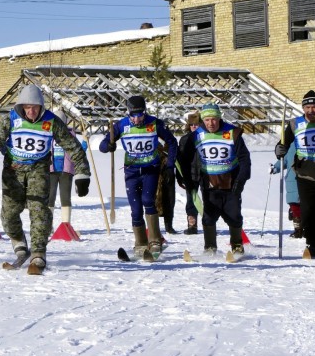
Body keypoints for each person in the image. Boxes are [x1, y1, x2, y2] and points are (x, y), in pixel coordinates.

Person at [0, 85, 90, 271]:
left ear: (41, 107)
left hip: (38, 169)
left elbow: (73, 147)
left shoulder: (51, 122)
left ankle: (39, 253)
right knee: (9, 215)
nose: (31, 111)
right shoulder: (10, 121)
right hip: (13, 171)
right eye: (27, 107)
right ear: (21, 107)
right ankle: (18, 241)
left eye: (35, 107)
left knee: (39, 211)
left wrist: (82, 174)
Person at [99, 95, 177, 256]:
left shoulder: (154, 123)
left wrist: (169, 165)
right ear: (128, 113)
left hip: (150, 169)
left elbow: (172, 141)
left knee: (148, 201)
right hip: (132, 171)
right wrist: (109, 145)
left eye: (140, 114)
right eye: (133, 115)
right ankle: (140, 243)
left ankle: (155, 240)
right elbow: (102, 146)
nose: (137, 119)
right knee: (135, 209)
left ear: (144, 112)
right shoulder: (121, 125)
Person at [181, 102, 251, 256]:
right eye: (207, 120)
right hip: (208, 183)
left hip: (230, 182)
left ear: (219, 118)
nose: (210, 123)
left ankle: (237, 245)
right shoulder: (196, 135)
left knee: (234, 216)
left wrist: (241, 179)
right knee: (208, 217)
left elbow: (245, 159)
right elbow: (184, 160)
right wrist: (185, 178)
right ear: (202, 120)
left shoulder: (233, 133)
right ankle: (210, 247)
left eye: (214, 119)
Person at [275, 90, 315, 258]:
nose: (311, 111)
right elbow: (283, 143)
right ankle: (312, 245)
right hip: (306, 175)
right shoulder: (295, 124)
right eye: (308, 107)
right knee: (308, 212)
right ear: (303, 108)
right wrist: (279, 149)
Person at [47, 109, 81, 226]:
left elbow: (78, 151)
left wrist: (85, 144)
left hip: (66, 170)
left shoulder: (70, 134)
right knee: (49, 197)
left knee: (65, 197)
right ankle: (48, 225)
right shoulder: (47, 134)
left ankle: (66, 225)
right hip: (51, 170)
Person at [176, 112, 201, 234]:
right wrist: (179, 176)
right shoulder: (185, 140)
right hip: (190, 174)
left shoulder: (206, 138)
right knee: (191, 200)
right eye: (192, 125)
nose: (194, 127)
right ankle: (192, 224)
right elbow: (180, 160)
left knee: (211, 199)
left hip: (206, 173)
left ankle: (210, 223)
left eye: (197, 124)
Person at [272, 142, 303, 238]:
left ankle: (311, 228)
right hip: (292, 181)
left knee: (309, 207)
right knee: (295, 206)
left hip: (306, 180)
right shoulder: (291, 146)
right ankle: (298, 229)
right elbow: (283, 161)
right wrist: (274, 168)